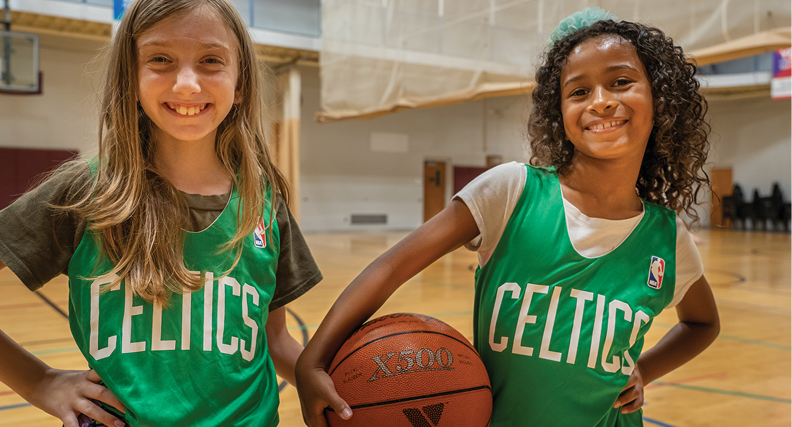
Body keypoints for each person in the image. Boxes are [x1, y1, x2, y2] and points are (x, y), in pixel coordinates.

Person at [295, 7, 719, 427]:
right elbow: (391, 267)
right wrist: (313, 360)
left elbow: (703, 324)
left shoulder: (667, 237)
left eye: (621, 82)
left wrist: (645, 369)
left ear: (660, 98)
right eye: (578, 91)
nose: (602, 101)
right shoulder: (512, 191)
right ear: (560, 113)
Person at [0, 0, 322, 425]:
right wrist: (38, 380)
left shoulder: (265, 201)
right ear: (130, 77)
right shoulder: (85, 191)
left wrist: (328, 384)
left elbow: (275, 338)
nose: (187, 84)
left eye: (210, 60)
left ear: (240, 82)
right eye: (160, 59)